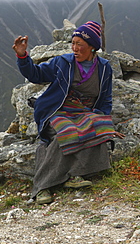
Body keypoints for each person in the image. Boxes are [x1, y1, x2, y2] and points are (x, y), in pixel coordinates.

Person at [12, 21, 124, 204]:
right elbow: (36, 75)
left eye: (79, 44)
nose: (75, 48)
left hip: (83, 112)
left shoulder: (104, 68)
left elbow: (106, 98)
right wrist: (22, 56)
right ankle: (42, 186)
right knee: (67, 132)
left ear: (92, 47)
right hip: (57, 110)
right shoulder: (62, 63)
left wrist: (105, 121)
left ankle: (75, 175)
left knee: (100, 129)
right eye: (73, 43)